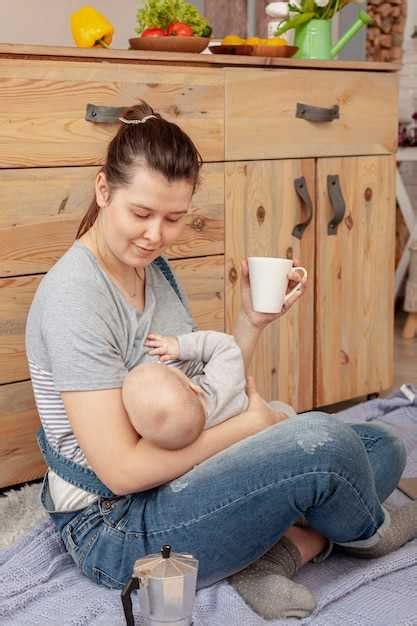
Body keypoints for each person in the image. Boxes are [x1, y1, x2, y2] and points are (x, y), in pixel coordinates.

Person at [25, 101, 417, 622]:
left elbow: (203, 396)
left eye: (173, 218)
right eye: (140, 214)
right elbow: (119, 472)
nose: (154, 235)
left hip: (180, 477)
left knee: (378, 445)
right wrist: (251, 428)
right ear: (103, 191)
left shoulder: (151, 269)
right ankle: (366, 533)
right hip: (114, 528)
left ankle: (271, 552)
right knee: (327, 447)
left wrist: (250, 323)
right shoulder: (77, 297)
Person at [122, 329, 296, 450]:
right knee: (282, 409)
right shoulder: (220, 385)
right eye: (168, 369)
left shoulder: (180, 438)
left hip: (243, 449)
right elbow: (226, 346)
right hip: (267, 429)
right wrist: (180, 346)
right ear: (193, 388)